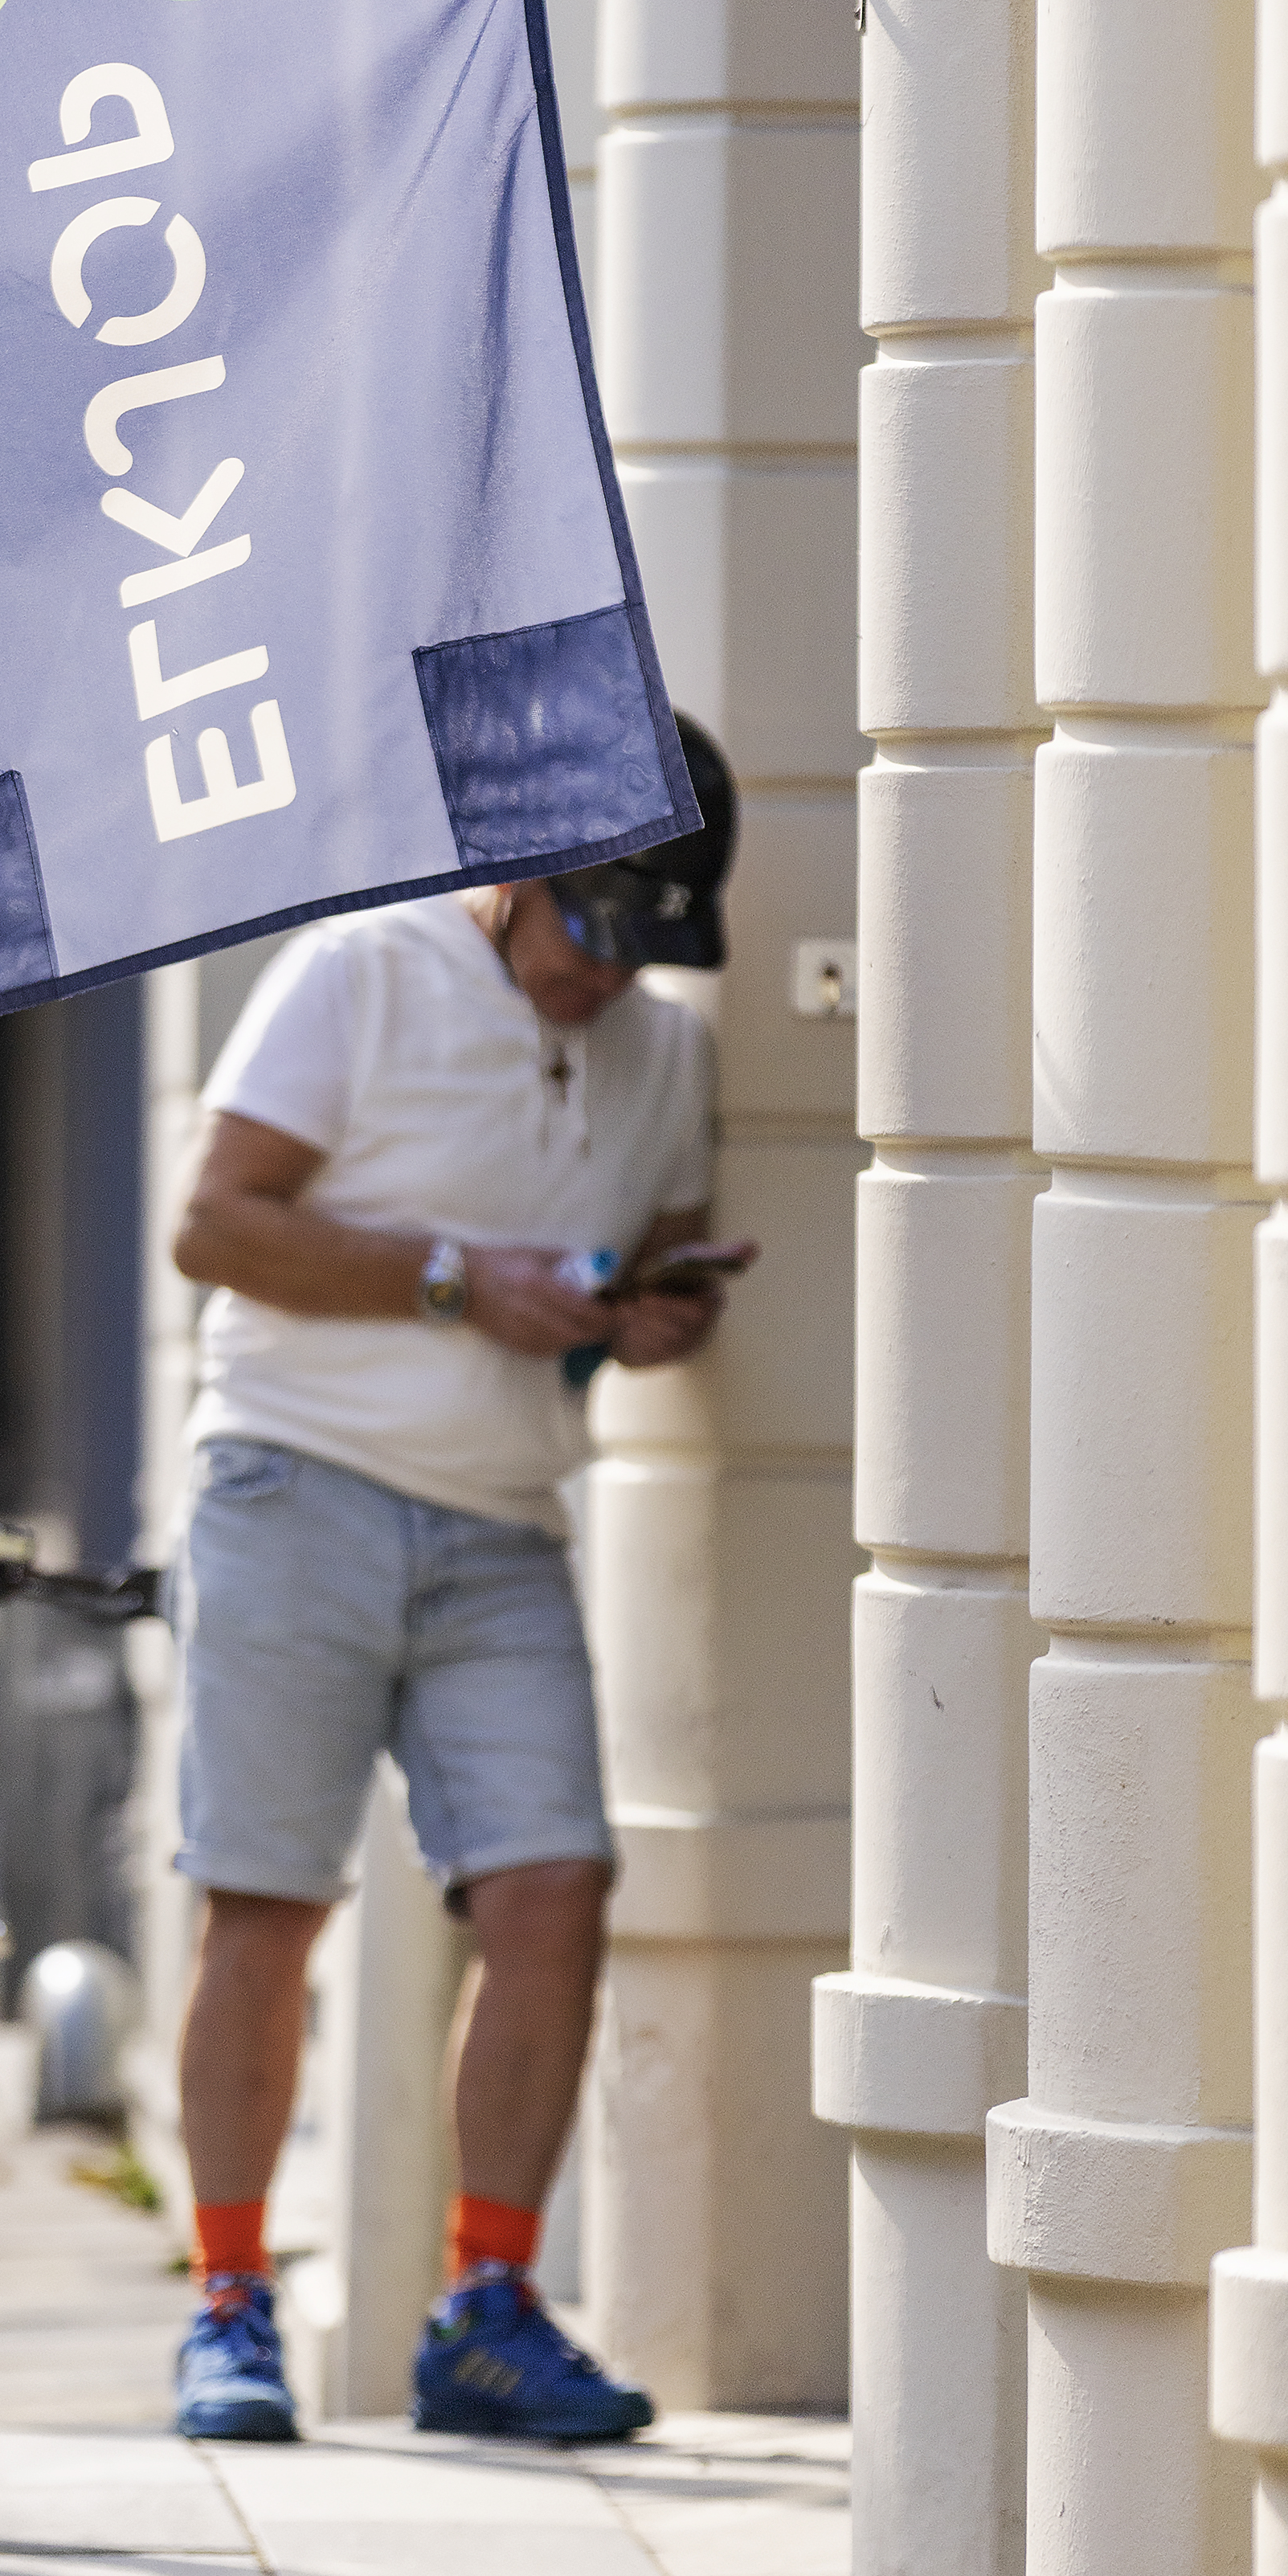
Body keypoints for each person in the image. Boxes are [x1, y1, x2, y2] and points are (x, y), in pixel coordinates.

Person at [166, 716, 747, 2451]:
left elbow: (636, 1253)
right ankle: (226, 2304)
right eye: (592, 928)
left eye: (645, 943)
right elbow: (213, 1222)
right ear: (516, 873)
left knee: (553, 1886)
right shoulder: (362, 968)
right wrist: (454, 1282)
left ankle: (485, 2309)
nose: (606, 974)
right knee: (267, 1900)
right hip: (297, 1482)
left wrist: (644, 1313)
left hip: (502, 1517)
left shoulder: (664, 1051)